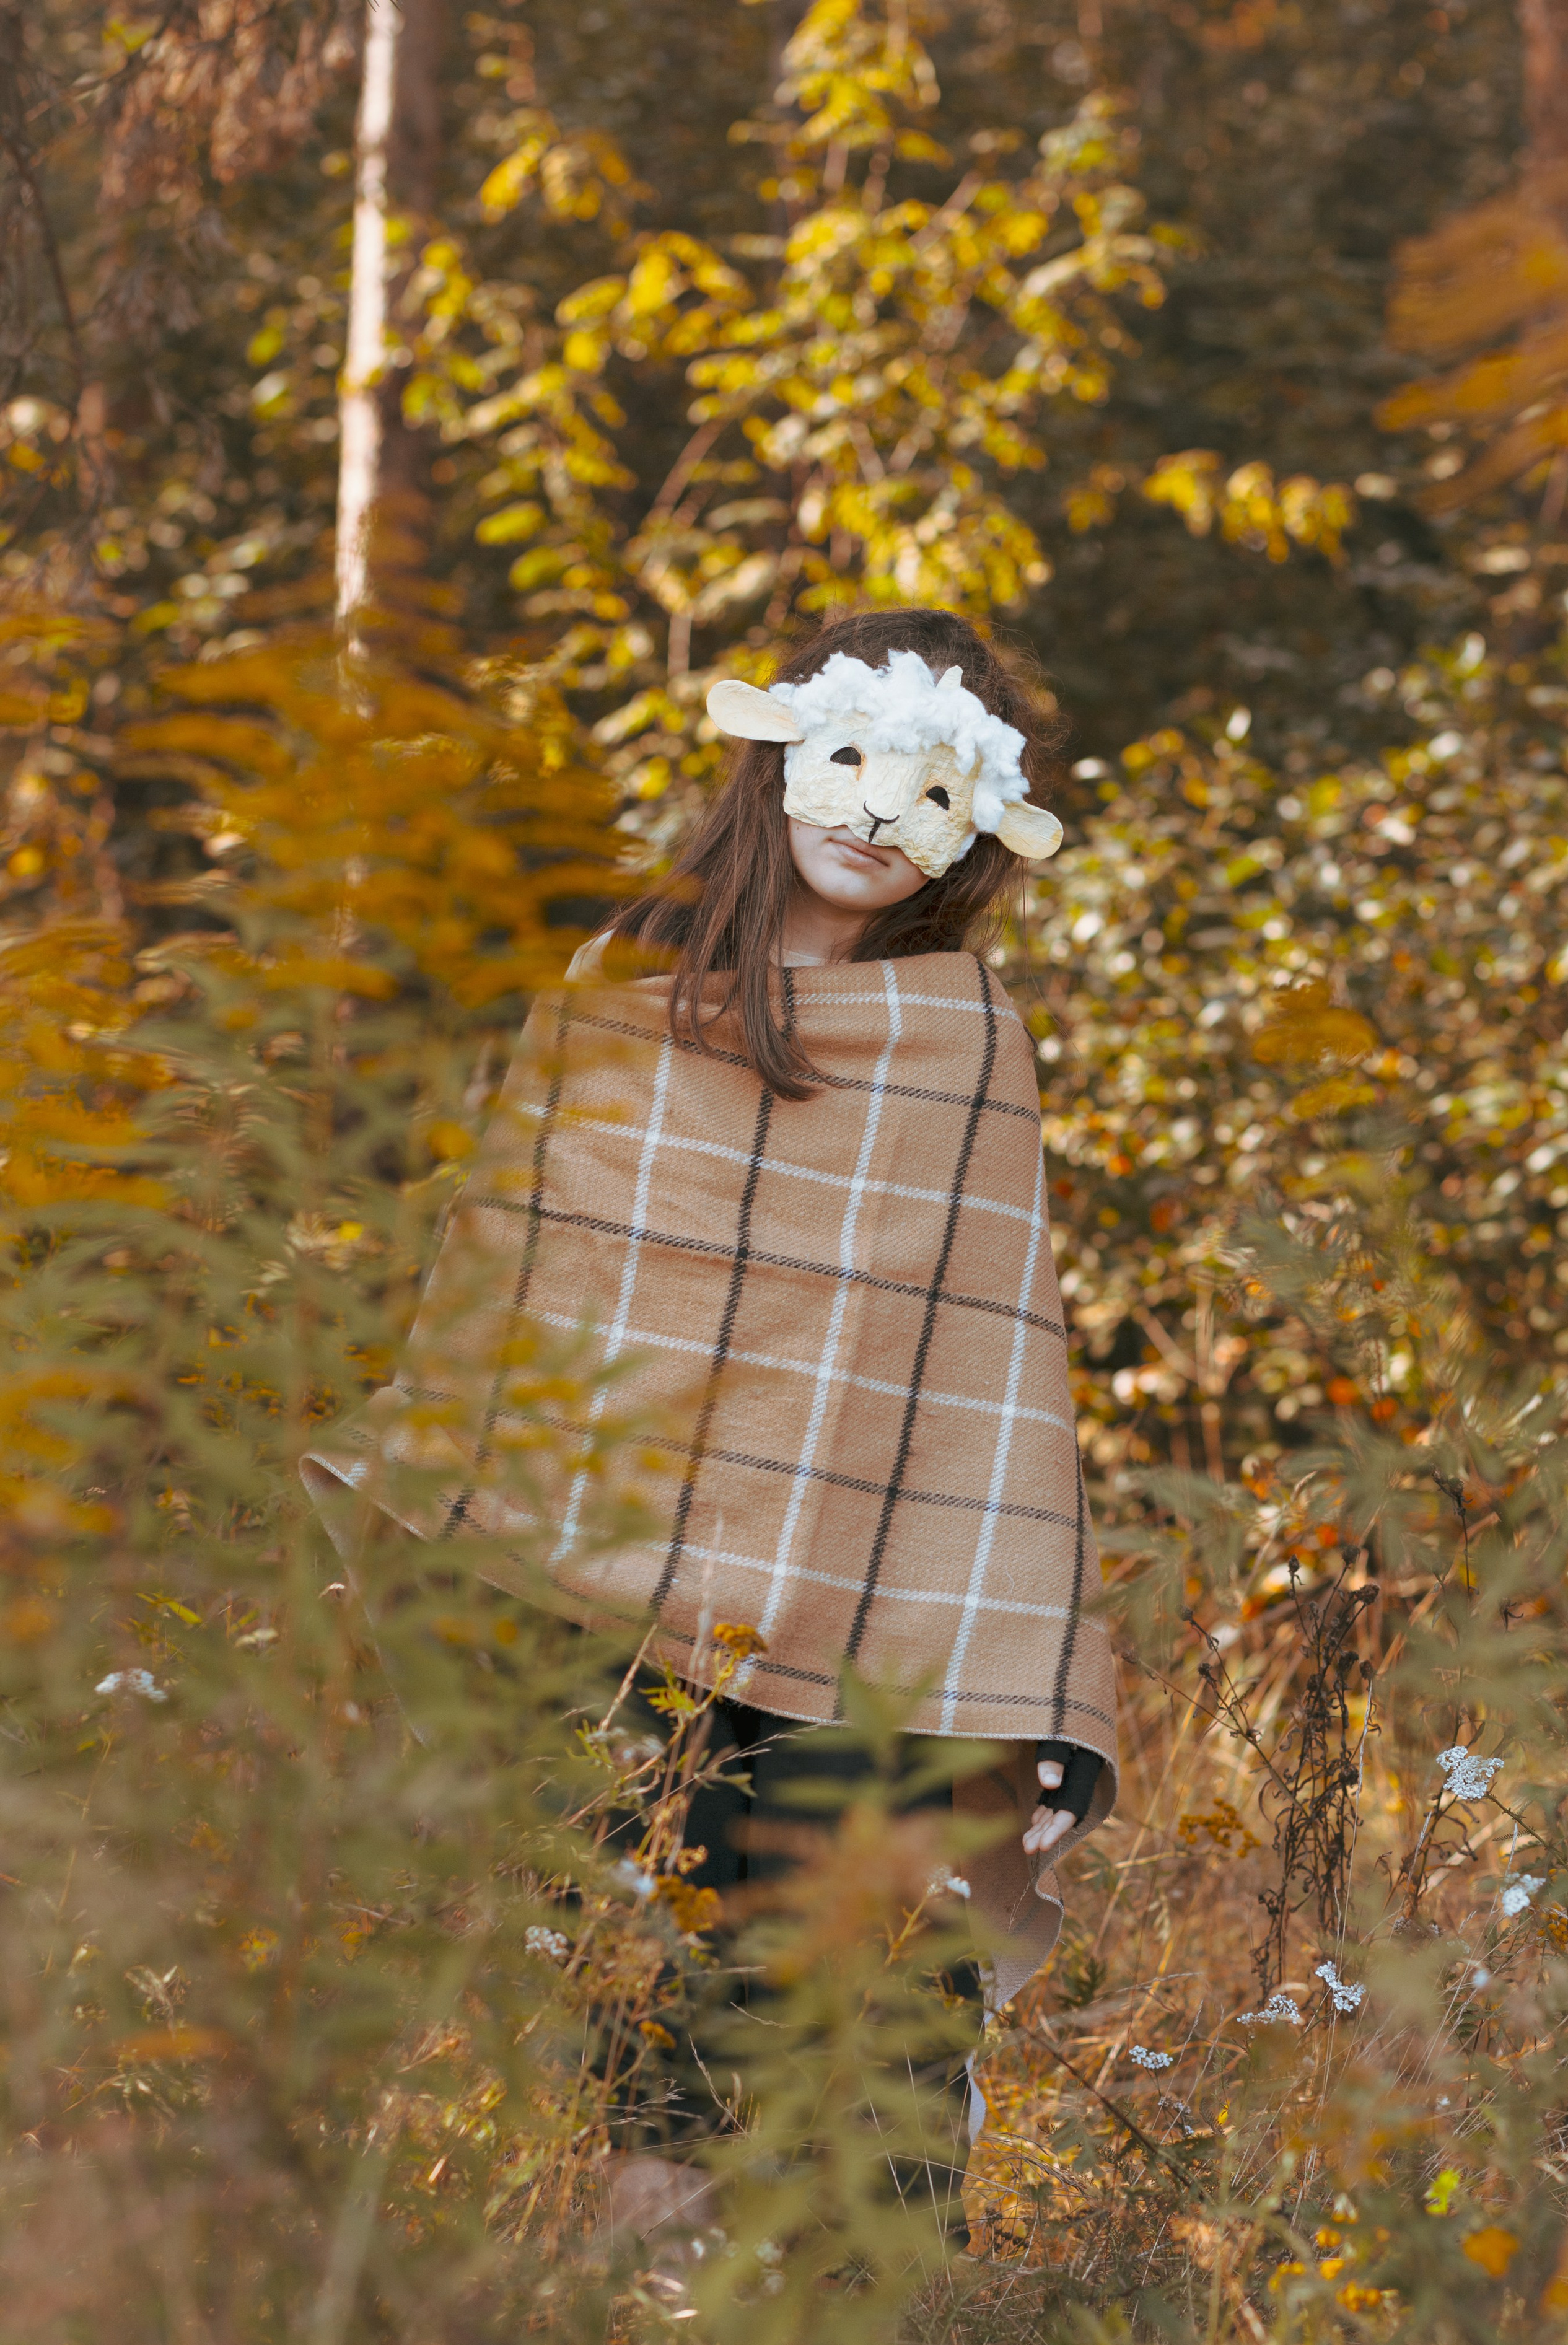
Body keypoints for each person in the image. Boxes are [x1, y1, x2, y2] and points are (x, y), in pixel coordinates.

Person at [302, 603, 1118, 2247]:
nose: (877, 813)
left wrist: (1014, 1672)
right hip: (609, 1590)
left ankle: (871, 2332)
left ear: (975, 828)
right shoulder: (615, 1008)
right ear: (778, 760)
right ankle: (636, 2306)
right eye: (851, 764)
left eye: (930, 789)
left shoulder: (965, 1047)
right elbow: (520, 1295)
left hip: (870, 1599)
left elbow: (986, 1370)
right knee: (646, 1969)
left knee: (873, 1983)